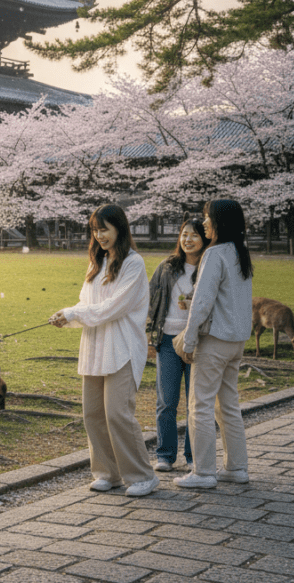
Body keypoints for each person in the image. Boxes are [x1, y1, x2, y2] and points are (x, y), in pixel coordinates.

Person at [50, 204, 159, 497]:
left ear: (119, 229)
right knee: (93, 413)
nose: (99, 236)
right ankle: (108, 473)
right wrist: (67, 315)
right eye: (95, 230)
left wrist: (74, 314)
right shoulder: (96, 263)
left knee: (117, 414)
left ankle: (142, 475)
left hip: (121, 347)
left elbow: (114, 307)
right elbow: (86, 304)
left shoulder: (133, 263)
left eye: (105, 229)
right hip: (94, 346)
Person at [172, 199, 254, 489]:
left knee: (201, 406)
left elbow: (203, 302)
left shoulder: (215, 253)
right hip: (236, 341)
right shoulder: (240, 252)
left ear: (219, 222)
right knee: (228, 406)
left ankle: (203, 472)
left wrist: (190, 339)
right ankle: (237, 467)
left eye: (207, 218)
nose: (203, 223)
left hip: (215, 341)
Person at [146, 217, 210, 472]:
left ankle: (193, 456)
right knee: (166, 401)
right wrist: (149, 336)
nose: (188, 240)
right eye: (184, 234)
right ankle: (165, 455)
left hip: (198, 342)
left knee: (195, 402)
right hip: (168, 340)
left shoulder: (209, 267)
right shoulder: (167, 267)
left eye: (194, 235)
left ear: (204, 239)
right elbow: (150, 300)